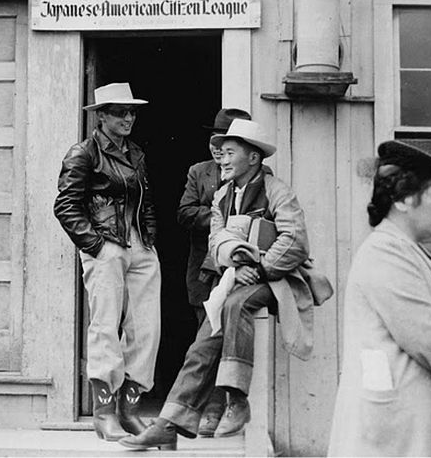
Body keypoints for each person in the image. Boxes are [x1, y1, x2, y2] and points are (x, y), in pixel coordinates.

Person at [119, 119, 321, 450]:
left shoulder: (277, 191)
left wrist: (260, 267)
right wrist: (237, 262)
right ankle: (169, 422)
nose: (222, 160)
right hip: (236, 279)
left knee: (235, 304)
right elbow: (215, 240)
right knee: (203, 341)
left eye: (230, 153)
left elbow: (296, 240)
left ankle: (236, 399)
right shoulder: (223, 195)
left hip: (280, 279)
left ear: (253, 158)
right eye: (222, 154)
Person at [328, 140, 431, 457]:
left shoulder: (407, 250)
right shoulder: (386, 252)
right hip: (392, 435)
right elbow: (430, 338)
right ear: (403, 199)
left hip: (407, 427)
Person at [54, 82, 161, 441]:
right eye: (120, 112)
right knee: (105, 325)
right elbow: (65, 206)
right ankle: (104, 413)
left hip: (139, 247)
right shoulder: (83, 153)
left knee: (146, 327)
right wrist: (97, 245)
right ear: (101, 116)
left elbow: (145, 202)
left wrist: (149, 240)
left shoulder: (136, 153)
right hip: (107, 245)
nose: (128, 118)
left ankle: (130, 407)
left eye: (131, 112)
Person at [176, 108, 251, 436]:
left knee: (226, 340)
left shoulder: (255, 176)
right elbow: (184, 213)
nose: (219, 149)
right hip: (204, 270)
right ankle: (202, 409)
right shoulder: (199, 172)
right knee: (203, 339)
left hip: (237, 271)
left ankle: (219, 410)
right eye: (214, 141)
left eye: (227, 144)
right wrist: (218, 217)